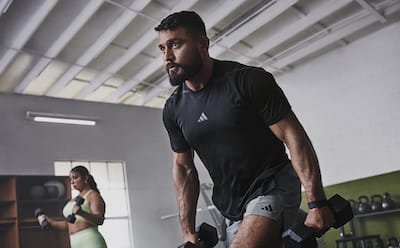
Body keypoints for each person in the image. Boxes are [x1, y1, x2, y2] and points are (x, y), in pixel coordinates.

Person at [155, 11, 336, 247]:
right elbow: (183, 168)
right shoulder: (173, 109)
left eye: (175, 44)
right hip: (231, 205)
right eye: (162, 49)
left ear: (202, 44)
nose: (167, 56)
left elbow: (293, 136)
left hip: (272, 184)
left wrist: (317, 202)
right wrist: (188, 230)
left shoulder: (247, 81)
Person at [37, 166, 107, 248]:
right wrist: (50, 222)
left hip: (90, 241)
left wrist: (81, 212)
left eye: (75, 178)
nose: (72, 182)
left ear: (86, 178)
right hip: (74, 242)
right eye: (71, 179)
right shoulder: (73, 200)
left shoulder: (93, 195)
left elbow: (100, 220)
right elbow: (69, 224)